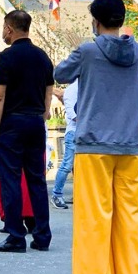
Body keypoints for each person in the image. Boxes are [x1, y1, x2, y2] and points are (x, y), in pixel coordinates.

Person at [54, 0, 138, 274]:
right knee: (131, 221)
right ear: (121, 20)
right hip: (132, 146)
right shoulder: (137, 52)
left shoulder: (88, 50)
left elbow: (60, 74)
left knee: (94, 219)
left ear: (96, 20)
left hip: (94, 144)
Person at [0, 10, 53, 254]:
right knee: (37, 180)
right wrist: (43, 115)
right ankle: (42, 236)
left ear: (9, 29)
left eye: (4, 28)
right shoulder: (42, 57)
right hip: (35, 121)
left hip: (12, 123)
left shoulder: (7, 57)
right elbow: (49, 92)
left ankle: (16, 235)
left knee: (11, 179)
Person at [50, 80, 78, 210]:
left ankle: (78, 194)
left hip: (80, 132)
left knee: (79, 167)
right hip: (74, 132)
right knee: (67, 165)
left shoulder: (82, 86)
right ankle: (56, 194)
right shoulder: (73, 89)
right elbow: (73, 115)